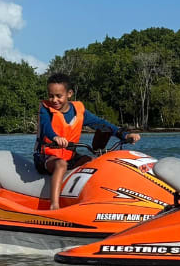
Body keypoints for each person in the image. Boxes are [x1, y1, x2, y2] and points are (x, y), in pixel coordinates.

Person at [36, 73, 141, 210]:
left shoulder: (78, 111)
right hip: (45, 157)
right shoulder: (46, 110)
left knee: (92, 162)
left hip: (70, 156)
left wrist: (125, 135)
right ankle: (54, 206)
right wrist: (55, 137)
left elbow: (101, 123)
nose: (54, 100)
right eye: (51, 96)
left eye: (58, 96)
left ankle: (97, 199)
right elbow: (46, 128)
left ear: (69, 94)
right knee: (61, 164)